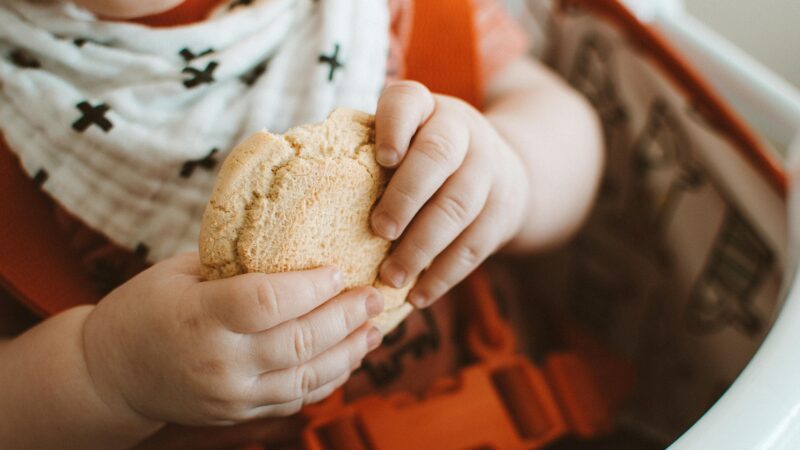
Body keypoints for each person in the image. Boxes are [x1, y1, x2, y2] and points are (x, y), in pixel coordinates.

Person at [0, 0, 603, 447]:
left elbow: (567, 125)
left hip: (523, 409)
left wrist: (512, 169)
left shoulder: (395, 12)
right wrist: (104, 373)